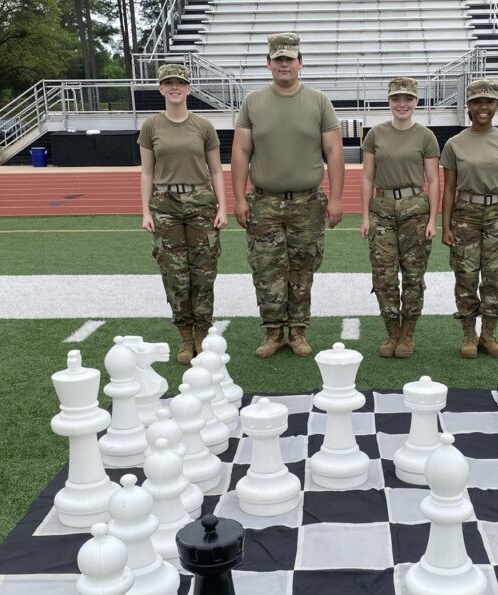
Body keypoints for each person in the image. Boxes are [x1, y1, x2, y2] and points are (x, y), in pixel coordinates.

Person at [232, 32, 345, 358]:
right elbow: (240, 151)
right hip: (264, 202)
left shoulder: (319, 101)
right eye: (278, 59)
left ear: (300, 62)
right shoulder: (253, 102)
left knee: (302, 270)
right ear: (268, 63)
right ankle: (273, 332)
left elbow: (334, 151)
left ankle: (297, 331)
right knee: (266, 270)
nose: (284, 64)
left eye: (290, 59)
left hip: (307, 203)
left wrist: (336, 198)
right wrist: (238, 198)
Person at [138, 63, 227, 364]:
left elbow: (216, 170)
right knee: (175, 274)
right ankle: (185, 337)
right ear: (160, 88)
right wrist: (145, 210)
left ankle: (202, 333)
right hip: (165, 204)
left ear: (189, 88)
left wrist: (223, 206)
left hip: (200, 201)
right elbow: (147, 172)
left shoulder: (203, 126)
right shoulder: (151, 126)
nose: (174, 87)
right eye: (168, 83)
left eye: (180, 82)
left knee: (203, 272)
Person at [440, 79, 498, 359]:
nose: (483, 107)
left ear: (497, 105)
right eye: (477, 102)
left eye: (489, 102)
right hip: (466, 215)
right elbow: (449, 188)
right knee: (465, 276)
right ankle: (468, 335)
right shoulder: (455, 143)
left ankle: (488, 335)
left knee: (495, 277)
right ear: (469, 106)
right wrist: (445, 225)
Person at [359, 77, 440, 358]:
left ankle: (408, 334)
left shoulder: (425, 136)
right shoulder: (375, 134)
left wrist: (433, 220)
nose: (402, 104)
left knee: (413, 276)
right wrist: (365, 216)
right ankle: (392, 332)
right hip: (382, 209)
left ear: (416, 101)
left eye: (408, 98)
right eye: (396, 98)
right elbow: (367, 177)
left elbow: (433, 179)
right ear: (389, 101)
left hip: (415, 209)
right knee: (383, 275)